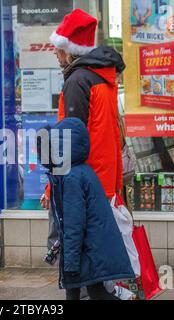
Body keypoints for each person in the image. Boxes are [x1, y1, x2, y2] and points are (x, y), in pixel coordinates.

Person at [41, 9, 126, 250]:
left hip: (83, 181)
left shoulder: (78, 81)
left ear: (69, 50)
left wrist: (51, 186)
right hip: (103, 177)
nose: (55, 53)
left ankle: (85, 288)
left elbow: (69, 141)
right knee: (97, 248)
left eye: (58, 47)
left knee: (77, 249)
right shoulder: (102, 77)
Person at [37, 118, 135, 300]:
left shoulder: (71, 177)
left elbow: (74, 224)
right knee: (94, 292)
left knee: (89, 293)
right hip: (93, 249)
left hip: (89, 251)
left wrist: (71, 263)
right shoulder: (79, 170)